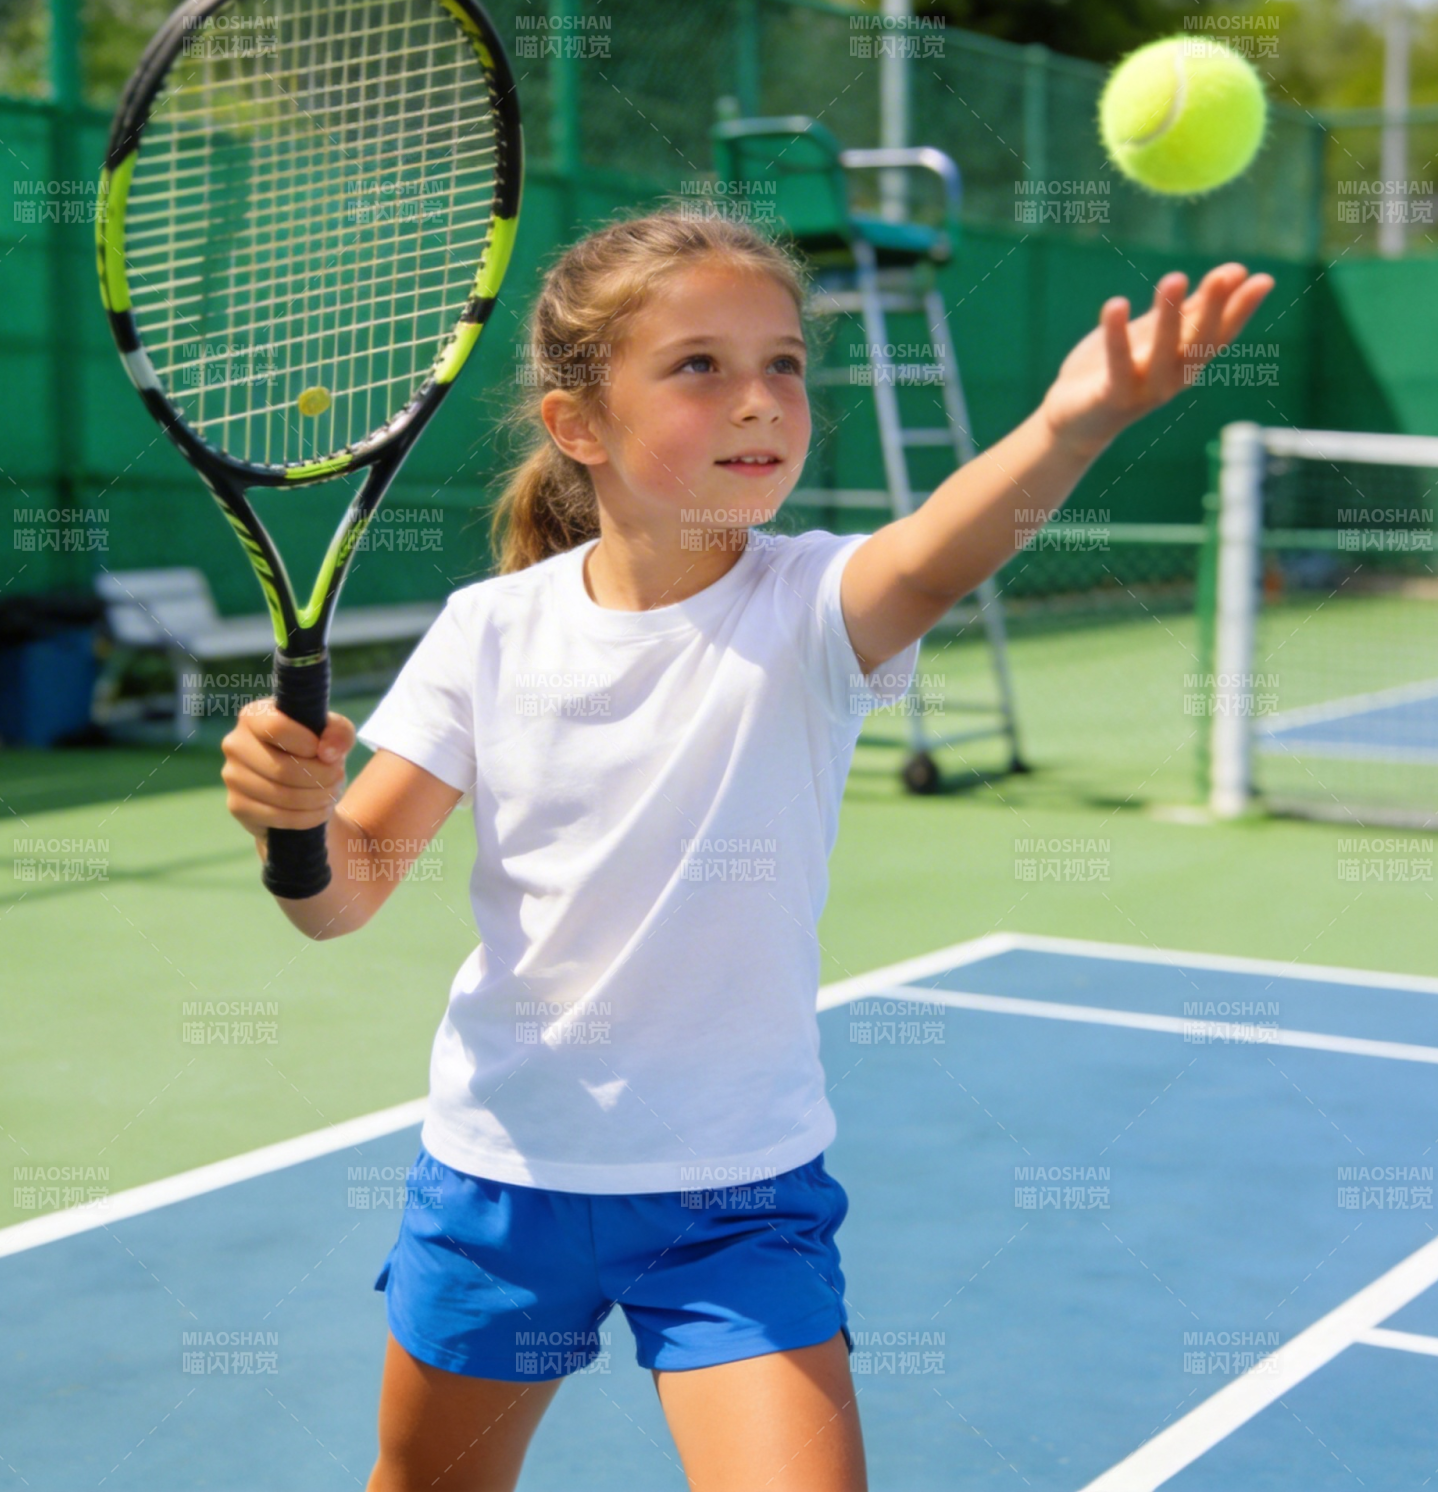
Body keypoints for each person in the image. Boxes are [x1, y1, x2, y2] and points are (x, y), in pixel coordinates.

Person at [220, 207, 1273, 1491]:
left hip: (736, 1200)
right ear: (578, 427)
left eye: (782, 363)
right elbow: (344, 894)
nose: (759, 399)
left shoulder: (814, 608)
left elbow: (942, 556)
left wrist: (1073, 423)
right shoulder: (487, 632)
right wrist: (294, 826)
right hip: (502, 1186)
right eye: (699, 366)